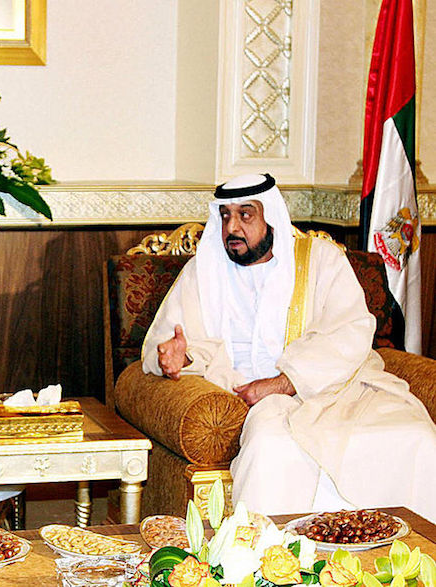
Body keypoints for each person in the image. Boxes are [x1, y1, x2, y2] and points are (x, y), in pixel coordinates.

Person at [141, 173, 436, 522]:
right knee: (271, 447)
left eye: (245, 215)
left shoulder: (321, 260)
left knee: (414, 436)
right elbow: (166, 346)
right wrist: (179, 357)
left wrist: (286, 381)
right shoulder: (203, 272)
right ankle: (275, 563)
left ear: (271, 216)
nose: (232, 228)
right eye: (225, 216)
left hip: (338, 389)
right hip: (260, 402)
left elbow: (352, 331)